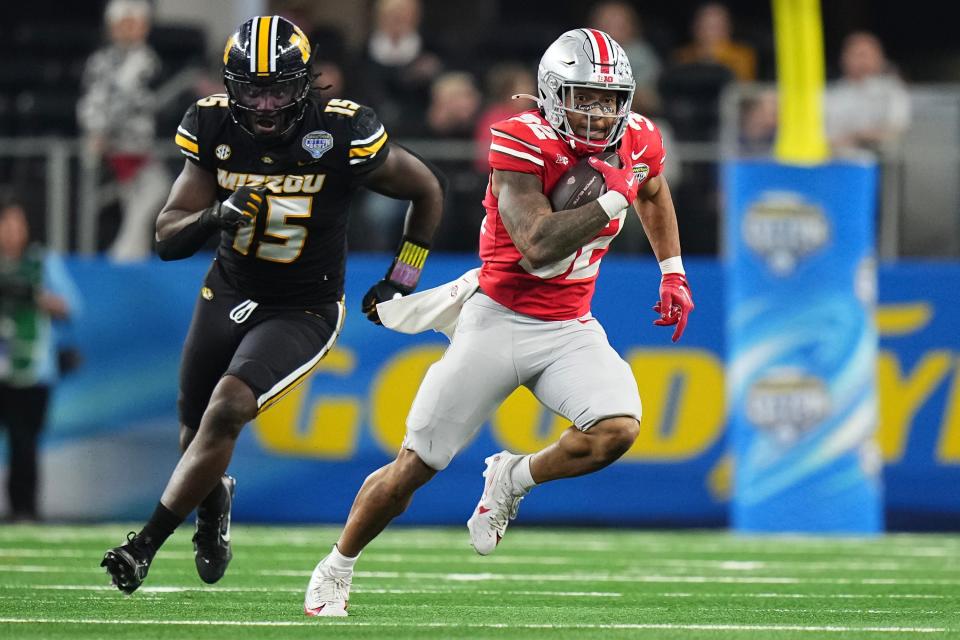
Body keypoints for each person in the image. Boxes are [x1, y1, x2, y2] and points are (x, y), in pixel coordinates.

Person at [303, 28, 694, 617]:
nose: (599, 112)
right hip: (496, 320)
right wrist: (614, 197)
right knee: (415, 468)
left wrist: (673, 270)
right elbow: (536, 245)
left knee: (617, 430)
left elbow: (655, 192)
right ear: (552, 93)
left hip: (568, 325)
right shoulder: (519, 138)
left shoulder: (637, 138)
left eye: (610, 99)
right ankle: (337, 567)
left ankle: (513, 478)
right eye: (584, 97)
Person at [100, 15, 445, 595]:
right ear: (230, 85)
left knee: (229, 407)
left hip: (304, 306)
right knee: (194, 432)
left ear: (305, 84)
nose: (263, 105)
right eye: (252, 89)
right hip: (230, 289)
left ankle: (144, 545)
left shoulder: (341, 130)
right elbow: (165, 237)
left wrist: (402, 278)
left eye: (278, 89)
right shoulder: (210, 125)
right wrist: (215, 215)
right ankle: (214, 506)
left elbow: (427, 189)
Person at [0, 200, 81, 521]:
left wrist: (32, 295)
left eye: (17, 225)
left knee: (25, 443)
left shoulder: (42, 263)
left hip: (33, 369)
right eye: (5, 225)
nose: (11, 232)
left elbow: (71, 308)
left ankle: (25, 510)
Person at [76, 0, 169, 262]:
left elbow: (139, 100)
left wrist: (104, 128)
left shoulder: (148, 61)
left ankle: (127, 253)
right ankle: (128, 254)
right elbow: (91, 100)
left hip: (141, 145)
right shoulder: (100, 62)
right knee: (138, 198)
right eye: (123, 24)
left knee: (152, 192)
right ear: (112, 27)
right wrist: (96, 131)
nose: (130, 30)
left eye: (135, 24)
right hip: (114, 147)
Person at [824, 31, 911, 155]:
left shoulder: (892, 92)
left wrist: (857, 137)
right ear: (844, 58)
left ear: (880, 58)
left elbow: (896, 129)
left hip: (876, 163)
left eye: (866, 55)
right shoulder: (831, 93)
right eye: (857, 55)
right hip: (831, 162)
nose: (862, 61)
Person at [588, 0, 663, 113]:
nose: (613, 32)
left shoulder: (640, 55)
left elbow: (650, 101)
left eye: (620, 25)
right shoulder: (582, 51)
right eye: (607, 24)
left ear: (633, 28)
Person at [673, 2, 756, 81]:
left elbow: (743, 83)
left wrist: (714, 55)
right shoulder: (682, 56)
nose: (710, 32)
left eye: (716, 26)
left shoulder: (742, 55)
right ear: (695, 27)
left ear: (728, 28)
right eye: (705, 26)